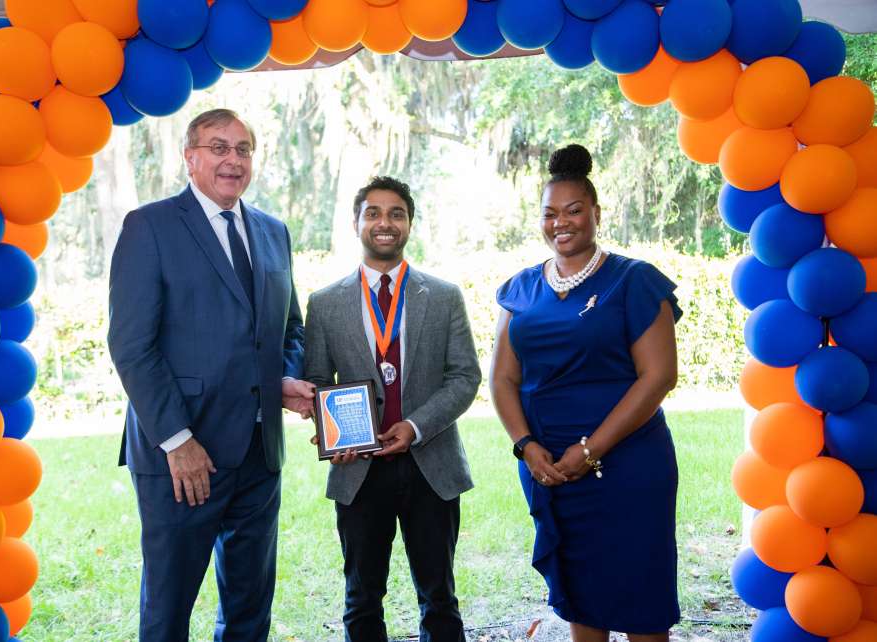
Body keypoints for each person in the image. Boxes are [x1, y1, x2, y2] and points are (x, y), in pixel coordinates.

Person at [107, 108, 314, 642]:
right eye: (219, 147)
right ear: (190, 157)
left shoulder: (273, 232)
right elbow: (132, 346)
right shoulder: (149, 226)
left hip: (258, 455)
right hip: (183, 457)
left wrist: (283, 381)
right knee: (168, 609)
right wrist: (177, 440)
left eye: (243, 149)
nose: (233, 159)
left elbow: (288, 328)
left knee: (249, 609)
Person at [489, 144, 682, 642]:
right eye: (550, 213)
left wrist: (590, 449)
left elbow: (658, 377)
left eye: (574, 210)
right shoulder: (520, 289)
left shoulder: (634, 281)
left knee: (642, 597)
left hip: (628, 467)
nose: (562, 222)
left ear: (596, 213)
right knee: (581, 593)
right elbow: (503, 379)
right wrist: (526, 447)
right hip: (549, 469)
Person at [303, 176, 481, 642]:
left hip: (431, 465)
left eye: (396, 213)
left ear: (409, 224)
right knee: (361, 599)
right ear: (356, 223)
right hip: (358, 469)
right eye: (374, 213)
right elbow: (318, 383)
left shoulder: (443, 297)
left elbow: (465, 377)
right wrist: (330, 431)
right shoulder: (324, 304)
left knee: (439, 597)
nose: (385, 222)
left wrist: (416, 427)